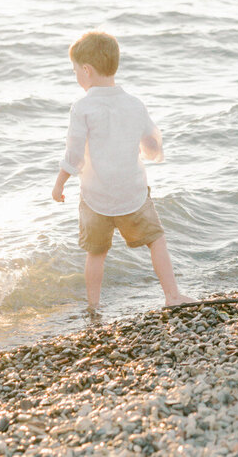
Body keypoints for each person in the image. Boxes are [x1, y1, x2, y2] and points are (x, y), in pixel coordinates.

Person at [51, 31, 194, 308]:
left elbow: (74, 154)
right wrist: (149, 144)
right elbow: (151, 143)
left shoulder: (82, 107)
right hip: (132, 193)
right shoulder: (134, 104)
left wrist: (59, 184)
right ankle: (172, 295)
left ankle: (94, 307)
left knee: (95, 253)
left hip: (96, 197)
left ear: (87, 70)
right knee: (156, 240)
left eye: (75, 71)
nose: (76, 77)